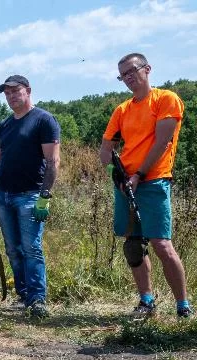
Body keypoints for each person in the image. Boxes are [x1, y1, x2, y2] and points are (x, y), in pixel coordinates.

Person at [99, 53, 191, 319]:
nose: (128, 78)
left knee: (161, 244)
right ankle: (146, 301)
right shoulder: (122, 109)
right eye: (123, 75)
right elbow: (107, 147)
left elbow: (162, 142)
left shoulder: (166, 100)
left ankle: (183, 306)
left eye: (131, 71)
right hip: (126, 183)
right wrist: (113, 172)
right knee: (133, 244)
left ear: (147, 69)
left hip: (153, 180)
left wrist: (138, 174)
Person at [0, 75, 61, 318]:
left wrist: (45, 196)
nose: (10, 97)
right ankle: (23, 295)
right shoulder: (3, 126)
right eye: (7, 93)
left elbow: (52, 161)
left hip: (31, 195)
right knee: (12, 249)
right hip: (4, 195)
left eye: (15, 91)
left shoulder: (43, 120)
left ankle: (37, 299)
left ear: (28, 91)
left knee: (32, 248)